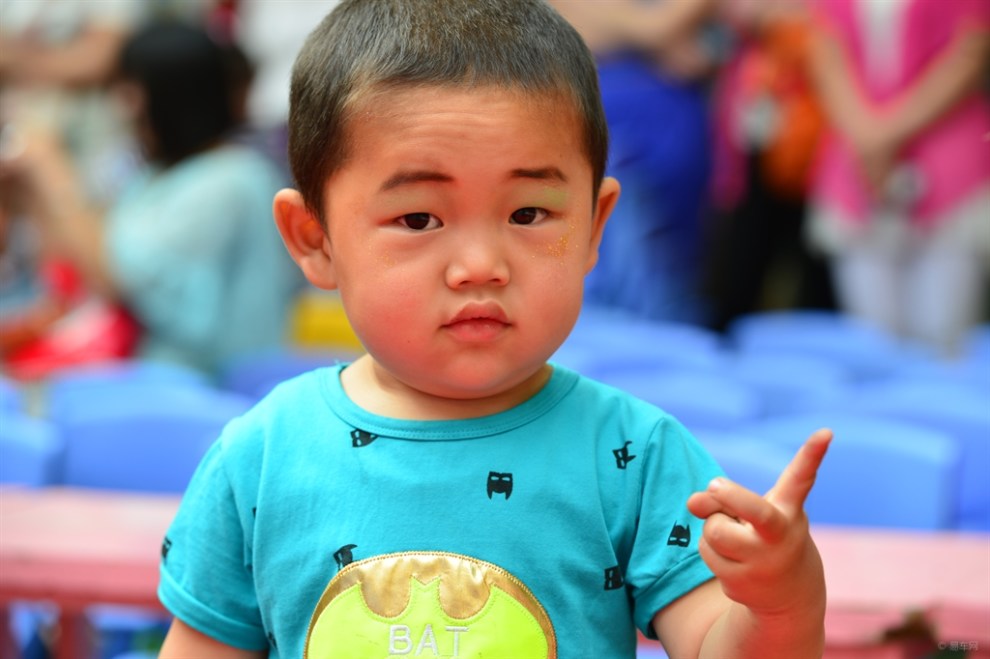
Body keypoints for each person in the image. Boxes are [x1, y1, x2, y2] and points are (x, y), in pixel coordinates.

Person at [157, 1, 831, 657]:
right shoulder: (260, 456)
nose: (480, 266)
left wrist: (779, 603)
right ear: (315, 238)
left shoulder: (636, 456)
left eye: (530, 213)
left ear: (594, 228)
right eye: (419, 219)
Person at [0, 21, 305, 378]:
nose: (125, 106)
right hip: (152, 380)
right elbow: (75, 263)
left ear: (168, 94)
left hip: (215, 393)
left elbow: (115, 276)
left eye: (132, 89)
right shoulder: (152, 175)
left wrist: (50, 166)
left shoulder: (232, 179)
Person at [806, 0, 990, 358]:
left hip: (948, 163)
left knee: (942, 336)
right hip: (856, 164)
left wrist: (884, 135)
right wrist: (866, 136)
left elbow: (971, 52)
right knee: (872, 337)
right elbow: (824, 48)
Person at [549, 0, 722, 325]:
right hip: (614, 135)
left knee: (677, 278)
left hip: (680, 141)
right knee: (620, 272)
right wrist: (655, 34)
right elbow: (652, 30)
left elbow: (697, 53)